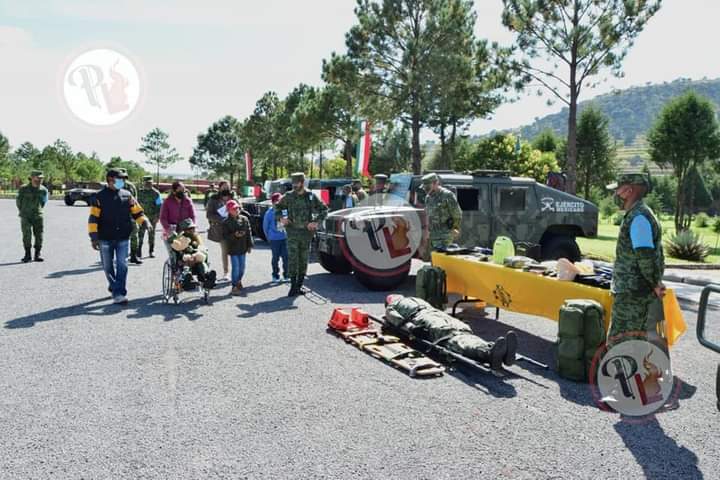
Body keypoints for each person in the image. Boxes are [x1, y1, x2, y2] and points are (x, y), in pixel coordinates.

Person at [606, 173, 665, 343]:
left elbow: (645, 256)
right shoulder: (637, 214)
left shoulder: (638, 218)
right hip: (633, 291)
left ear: (629, 191)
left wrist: (655, 283)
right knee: (631, 342)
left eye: (618, 190)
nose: (615, 194)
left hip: (633, 294)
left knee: (622, 343)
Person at [385, 295, 518, 370]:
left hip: (437, 314)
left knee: (463, 331)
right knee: (451, 336)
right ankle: (486, 353)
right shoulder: (392, 307)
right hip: (423, 318)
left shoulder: (414, 298)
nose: (396, 296)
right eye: (393, 297)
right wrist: (411, 328)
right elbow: (396, 319)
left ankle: (495, 350)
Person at [88, 168, 152, 304]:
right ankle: (114, 285)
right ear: (110, 180)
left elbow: (137, 212)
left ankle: (119, 292)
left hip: (123, 236)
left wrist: (144, 221)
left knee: (122, 264)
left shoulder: (127, 195)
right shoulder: (99, 197)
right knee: (107, 266)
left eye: (123, 179)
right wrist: (93, 237)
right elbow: (93, 218)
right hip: (105, 237)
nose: (123, 181)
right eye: (120, 179)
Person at [275, 172, 328, 297]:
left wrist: (315, 222)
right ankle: (293, 286)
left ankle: (299, 285)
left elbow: (324, 209)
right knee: (293, 259)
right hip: (292, 233)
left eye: (297, 183)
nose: (294, 185)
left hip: (306, 234)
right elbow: (277, 208)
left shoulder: (311, 196)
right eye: (293, 183)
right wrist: (281, 218)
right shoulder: (288, 196)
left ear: (302, 183)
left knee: (303, 260)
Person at [168, 218, 216, 291]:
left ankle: (207, 278)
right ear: (185, 230)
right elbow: (176, 248)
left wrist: (198, 253)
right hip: (185, 259)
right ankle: (187, 280)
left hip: (196, 258)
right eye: (190, 229)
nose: (193, 230)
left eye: (193, 228)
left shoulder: (196, 237)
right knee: (186, 266)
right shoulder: (180, 238)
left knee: (201, 264)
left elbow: (201, 247)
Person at [421, 173, 462, 251]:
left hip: (445, 235)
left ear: (435, 183)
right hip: (433, 235)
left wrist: (455, 227)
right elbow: (428, 215)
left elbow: (457, 214)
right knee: (434, 257)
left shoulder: (447, 195)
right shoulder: (428, 198)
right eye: (424, 187)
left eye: (427, 187)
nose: (425, 189)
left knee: (443, 256)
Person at [16, 170, 48, 262]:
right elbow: (18, 202)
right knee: (26, 235)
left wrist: (38, 210)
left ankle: (37, 254)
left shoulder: (43, 190)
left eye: (41, 179)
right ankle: (27, 254)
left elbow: (43, 202)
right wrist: (23, 210)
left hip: (38, 215)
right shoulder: (23, 189)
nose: (40, 180)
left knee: (39, 234)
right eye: (38, 178)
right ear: (32, 178)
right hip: (25, 215)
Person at [206, 180, 236, 280]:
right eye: (224, 187)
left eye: (228, 187)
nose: (226, 189)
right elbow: (209, 215)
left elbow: (240, 210)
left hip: (234, 227)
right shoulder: (214, 199)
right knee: (225, 251)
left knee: (235, 250)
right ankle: (226, 272)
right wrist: (221, 219)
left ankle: (235, 271)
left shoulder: (234, 197)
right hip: (221, 229)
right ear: (219, 188)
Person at [222, 200, 253, 295]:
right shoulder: (226, 222)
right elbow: (225, 237)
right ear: (228, 211)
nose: (236, 210)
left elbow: (249, 232)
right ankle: (234, 286)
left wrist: (250, 245)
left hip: (243, 247)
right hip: (233, 248)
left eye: (237, 208)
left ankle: (238, 280)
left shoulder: (244, 219)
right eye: (233, 209)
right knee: (236, 267)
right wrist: (234, 235)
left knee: (242, 268)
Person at [263, 192, 289, 285]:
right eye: (277, 202)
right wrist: (268, 237)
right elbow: (265, 227)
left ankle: (286, 275)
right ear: (273, 202)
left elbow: (288, 223)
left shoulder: (284, 211)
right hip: (274, 239)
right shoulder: (269, 213)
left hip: (284, 237)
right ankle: (275, 275)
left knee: (286, 257)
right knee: (275, 258)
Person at [137, 175, 162, 258]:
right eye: (147, 183)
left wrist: (157, 217)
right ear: (143, 183)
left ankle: (151, 251)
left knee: (151, 235)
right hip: (141, 217)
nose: (148, 185)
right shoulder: (139, 192)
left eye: (150, 183)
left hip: (152, 218)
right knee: (140, 234)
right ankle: (138, 251)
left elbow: (159, 206)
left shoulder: (156, 193)